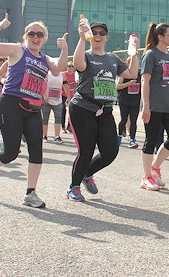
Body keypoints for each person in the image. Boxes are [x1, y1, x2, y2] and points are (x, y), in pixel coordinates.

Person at [0, 13, 68, 208]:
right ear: (26, 36)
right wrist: (0, 26)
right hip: (11, 104)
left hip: (33, 108)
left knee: (37, 152)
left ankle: (30, 193)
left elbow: (58, 69)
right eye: (32, 33)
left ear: (44, 38)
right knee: (10, 153)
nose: (36, 37)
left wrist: (64, 48)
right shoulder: (18, 50)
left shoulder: (45, 59)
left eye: (40, 34)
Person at [66, 20, 138, 201]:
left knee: (110, 151)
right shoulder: (87, 55)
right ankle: (73, 187)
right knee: (86, 150)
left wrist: (134, 53)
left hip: (104, 110)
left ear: (106, 37)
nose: (98, 35)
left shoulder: (112, 58)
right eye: (95, 32)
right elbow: (79, 64)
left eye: (101, 33)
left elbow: (131, 74)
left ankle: (87, 174)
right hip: (83, 108)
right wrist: (82, 37)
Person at [139, 23, 169, 190]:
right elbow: (145, 81)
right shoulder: (151, 55)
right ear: (160, 37)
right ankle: (146, 177)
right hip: (154, 106)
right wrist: (146, 106)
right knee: (150, 141)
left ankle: (155, 168)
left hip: (168, 106)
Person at [117, 59, 141, 148]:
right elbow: (117, 86)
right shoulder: (124, 74)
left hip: (135, 101)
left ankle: (132, 139)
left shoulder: (140, 74)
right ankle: (119, 136)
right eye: (130, 63)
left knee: (133, 121)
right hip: (124, 101)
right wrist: (128, 83)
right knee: (123, 119)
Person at [42, 68, 65, 143]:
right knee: (45, 119)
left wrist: (68, 96)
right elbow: (43, 84)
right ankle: (44, 136)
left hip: (58, 100)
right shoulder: (47, 74)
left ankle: (57, 136)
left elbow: (66, 84)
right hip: (47, 100)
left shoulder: (62, 75)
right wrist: (45, 95)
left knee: (58, 118)